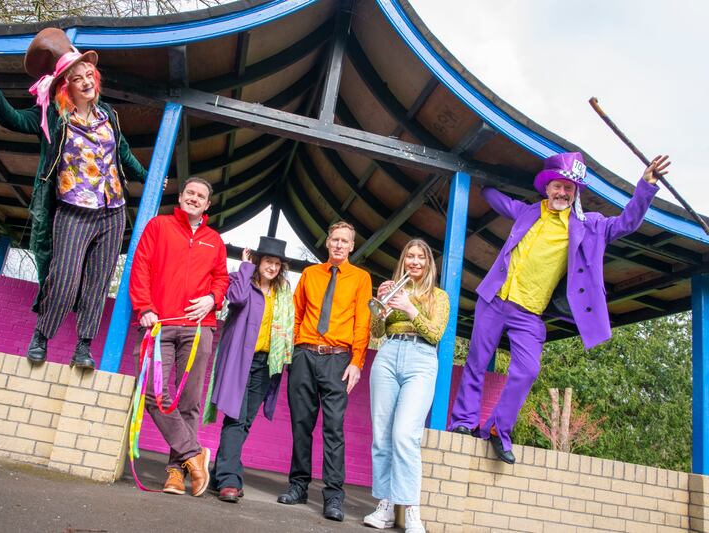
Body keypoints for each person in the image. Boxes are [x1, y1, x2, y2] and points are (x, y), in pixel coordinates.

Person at [448, 152, 670, 464]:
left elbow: (626, 223)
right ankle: (463, 421)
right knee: (476, 361)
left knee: (527, 370)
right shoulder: (528, 211)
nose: (562, 193)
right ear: (547, 188)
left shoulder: (587, 226)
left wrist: (646, 186)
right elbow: (499, 200)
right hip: (494, 298)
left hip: (529, 313)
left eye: (569, 188)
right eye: (558, 186)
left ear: (575, 192)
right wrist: (479, 175)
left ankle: (498, 428)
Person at [0, 28, 149, 369]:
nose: (86, 82)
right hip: (72, 211)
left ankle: (84, 346)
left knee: (97, 283)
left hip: (112, 211)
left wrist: (148, 176)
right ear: (66, 86)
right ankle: (41, 335)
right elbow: (13, 120)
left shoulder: (108, 115)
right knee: (63, 280)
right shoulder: (54, 116)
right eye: (77, 78)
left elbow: (122, 152)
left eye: (89, 75)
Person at [129, 176, 229, 496]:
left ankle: (176, 472)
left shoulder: (214, 240)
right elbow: (140, 267)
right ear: (181, 195)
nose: (194, 198)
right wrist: (144, 307)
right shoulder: (159, 226)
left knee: (189, 402)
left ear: (207, 204)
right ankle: (193, 453)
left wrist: (213, 299)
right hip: (159, 323)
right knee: (152, 392)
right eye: (190, 193)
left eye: (201, 196)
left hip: (199, 328)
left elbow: (222, 279)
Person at [276, 221, 372, 522]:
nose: (339, 245)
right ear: (327, 242)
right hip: (304, 355)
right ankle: (298, 486)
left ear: (352, 246)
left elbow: (362, 322)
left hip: (338, 359)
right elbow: (296, 313)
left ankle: (333, 497)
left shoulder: (361, 278)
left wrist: (357, 361)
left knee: (333, 428)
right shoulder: (310, 274)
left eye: (345, 241)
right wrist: (292, 350)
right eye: (335, 240)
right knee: (301, 425)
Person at [364, 239, 449, 533]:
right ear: (403, 261)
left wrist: (410, 308)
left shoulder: (438, 296)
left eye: (420, 257)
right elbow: (377, 332)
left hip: (421, 359)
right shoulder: (393, 290)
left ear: (428, 263)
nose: (415, 261)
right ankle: (386, 505)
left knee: (405, 435)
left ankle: (411, 509)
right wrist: (381, 303)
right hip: (388, 354)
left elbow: (435, 334)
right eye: (410, 256)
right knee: (382, 436)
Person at [203, 236, 294, 503]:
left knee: (245, 422)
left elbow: (288, 327)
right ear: (258, 261)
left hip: (266, 364)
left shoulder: (282, 293)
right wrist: (244, 268)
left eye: (277, 264)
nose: (272, 267)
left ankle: (219, 474)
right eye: (268, 261)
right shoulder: (241, 280)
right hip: (239, 361)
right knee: (235, 418)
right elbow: (237, 299)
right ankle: (230, 481)